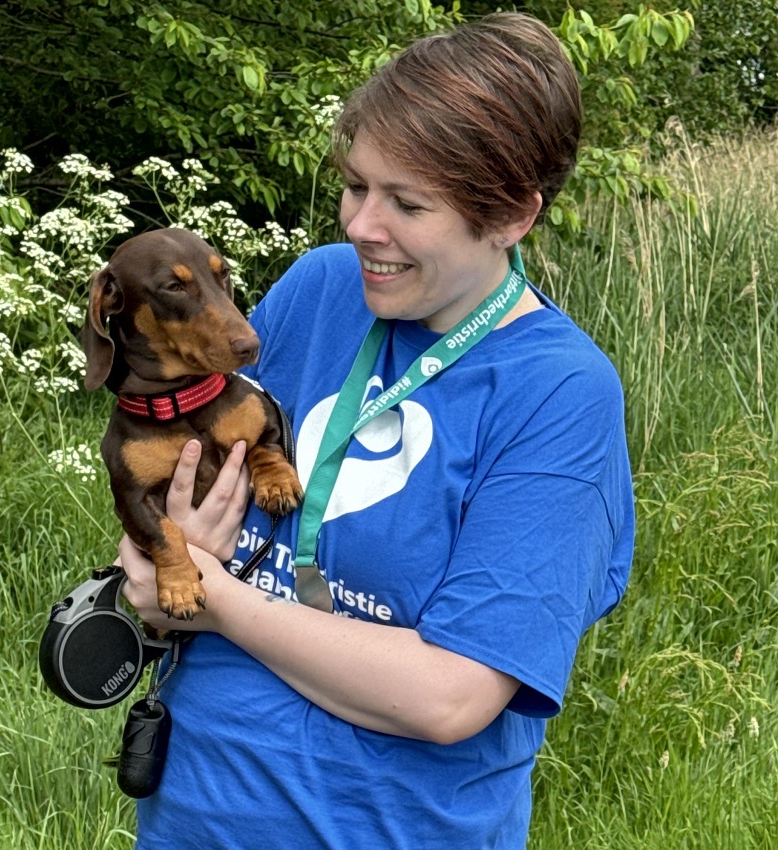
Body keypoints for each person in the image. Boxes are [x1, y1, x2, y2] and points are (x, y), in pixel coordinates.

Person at [119, 11, 635, 850]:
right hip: (190, 819)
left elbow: (449, 696)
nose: (362, 225)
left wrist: (215, 600)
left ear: (512, 216)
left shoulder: (558, 392)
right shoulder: (323, 288)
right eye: (357, 185)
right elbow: (172, 499)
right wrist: (151, 569)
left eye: (406, 202)